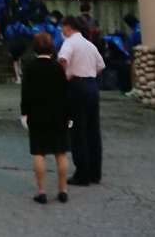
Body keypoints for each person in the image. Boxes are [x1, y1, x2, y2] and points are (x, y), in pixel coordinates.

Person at [21, 33, 71, 204]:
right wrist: (69, 114)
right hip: (58, 114)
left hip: (37, 114)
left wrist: (24, 112)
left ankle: (42, 191)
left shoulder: (29, 67)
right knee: (61, 152)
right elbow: (65, 93)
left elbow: (26, 93)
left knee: (39, 152)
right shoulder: (58, 68)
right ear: (51, 47)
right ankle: (63, 190)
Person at [58, 16, 105, 186]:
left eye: (63, 27)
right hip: (92, 86)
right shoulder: (89, 44)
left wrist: (64, 76)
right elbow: (101, 66)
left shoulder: (69, 42)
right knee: (93, 130)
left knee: (77, 130)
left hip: (76, 86)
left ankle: (82, 174)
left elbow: (63, 59)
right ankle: (95, 172)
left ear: (68, 27)